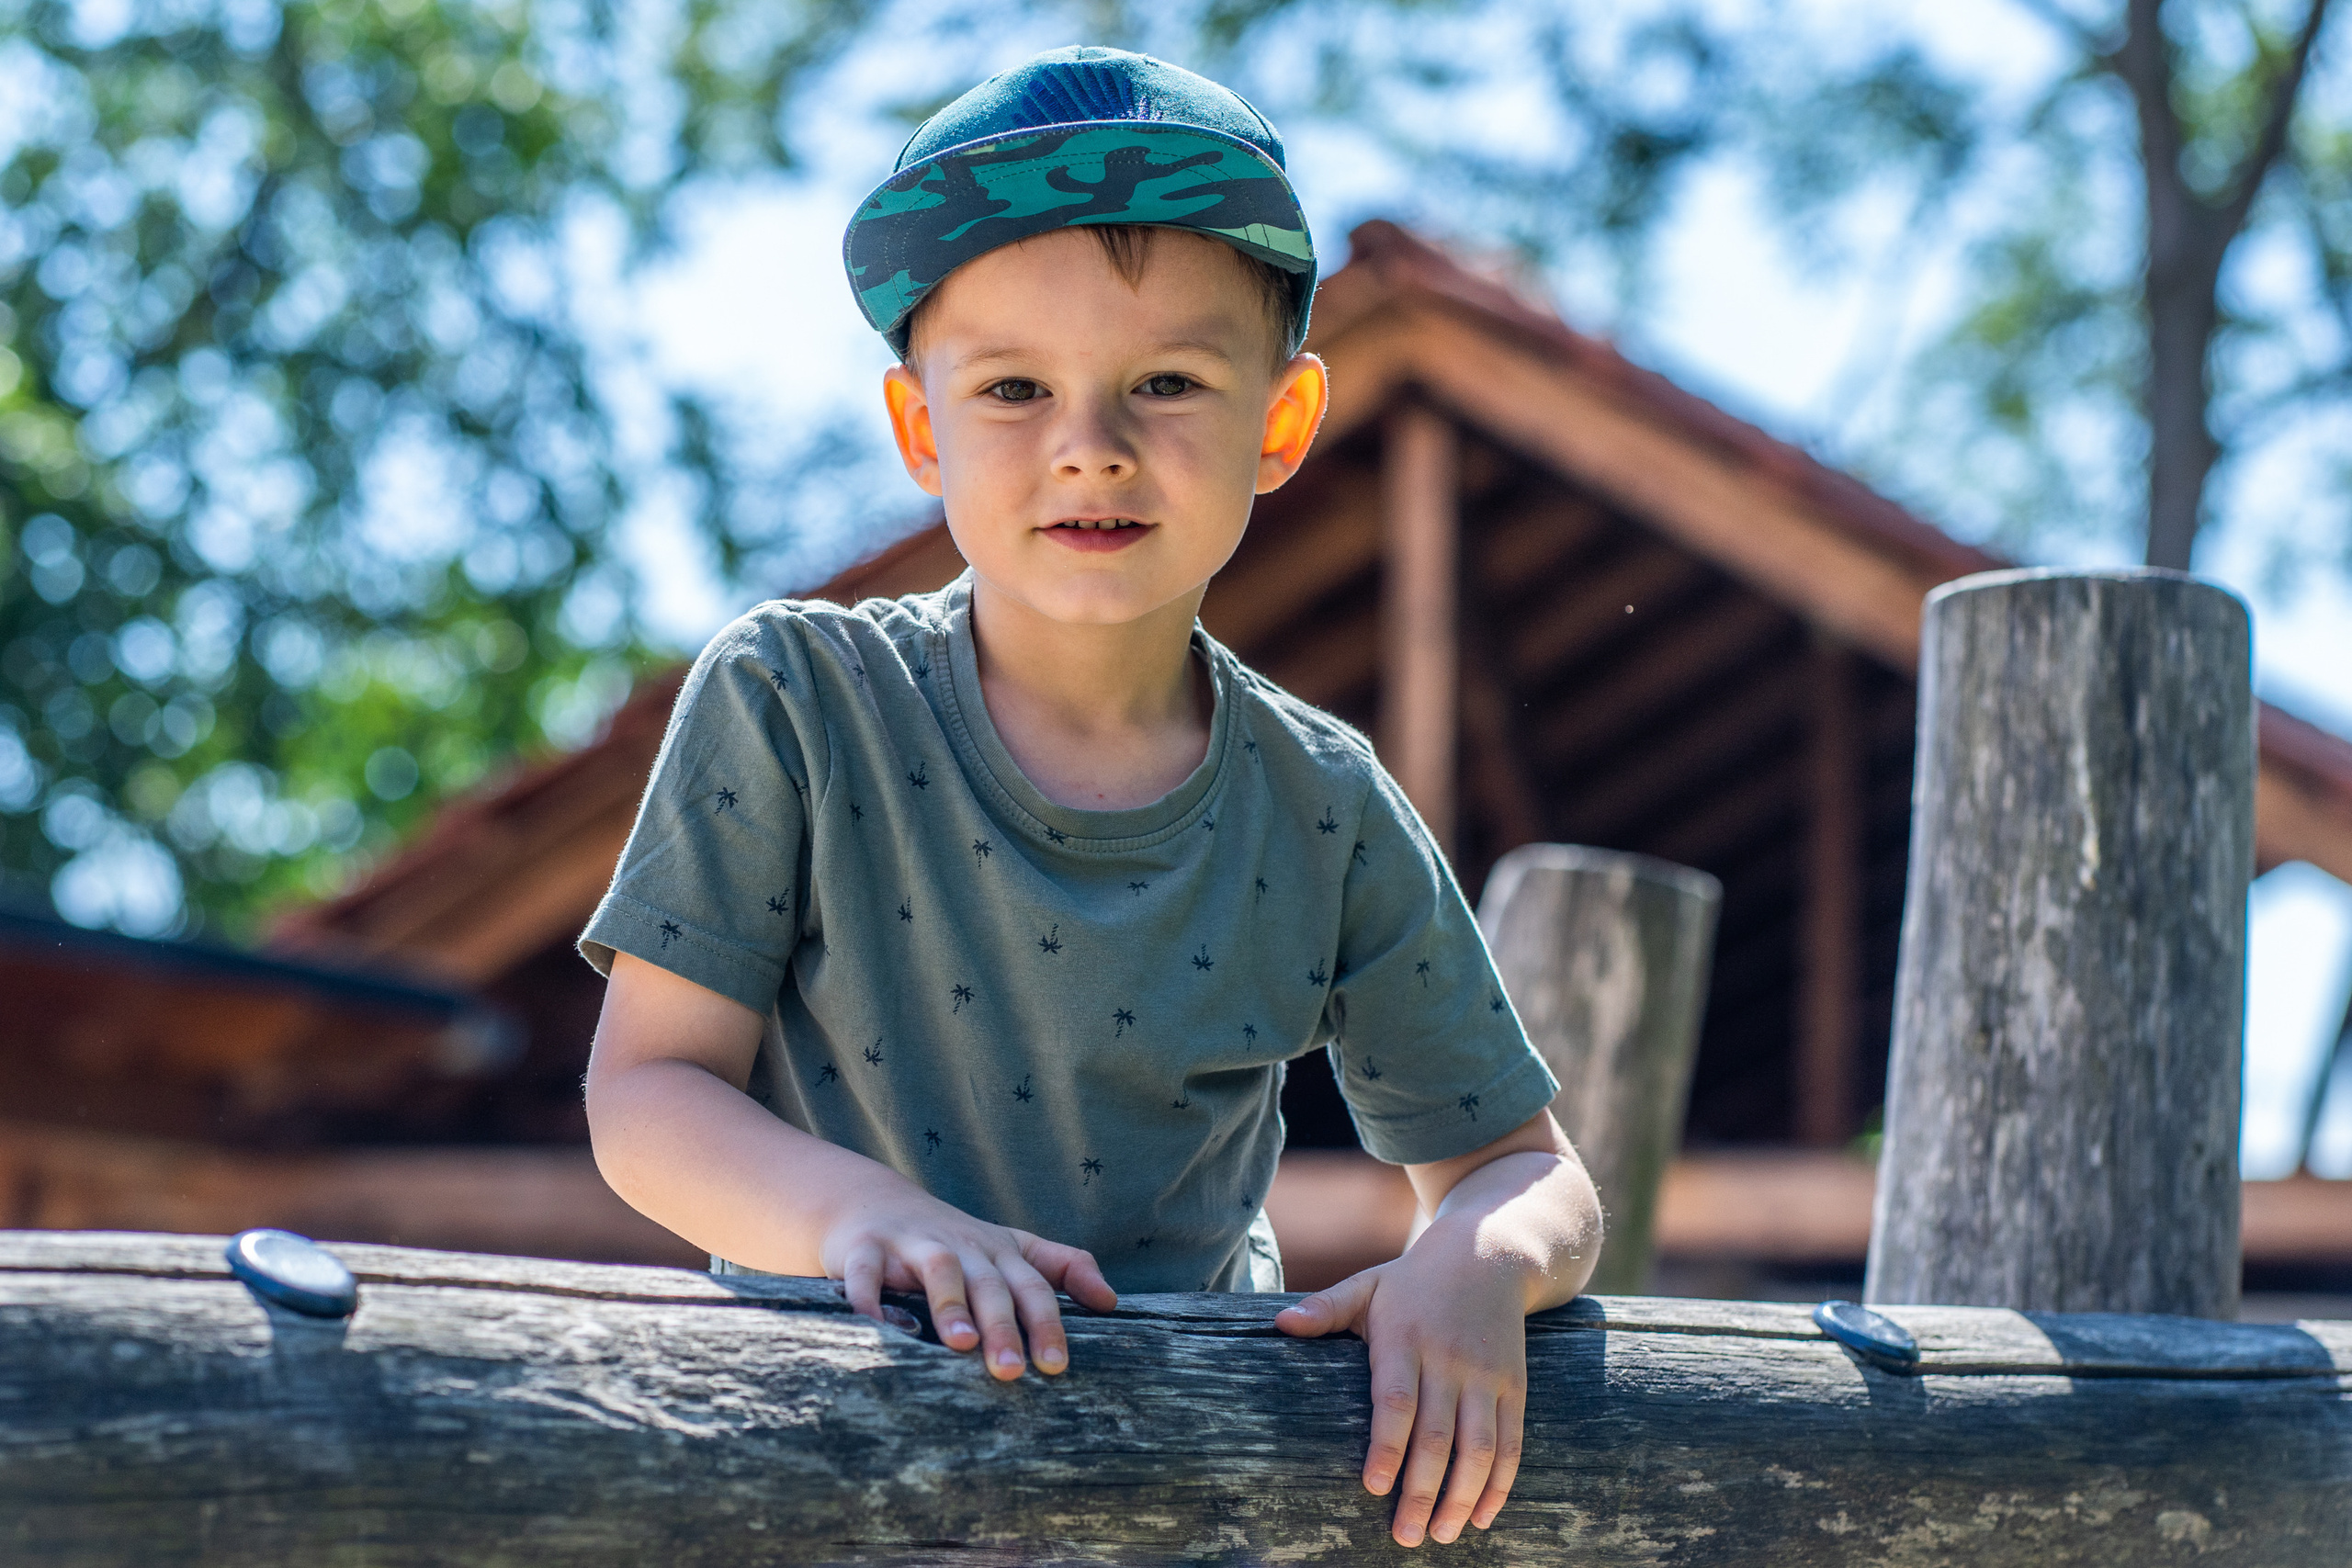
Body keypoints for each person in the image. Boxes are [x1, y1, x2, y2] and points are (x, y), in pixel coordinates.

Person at [580, 45, 1602, 1550]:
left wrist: (1480, 1260)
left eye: (1169, 383)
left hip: (1186, 1497)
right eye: (1012, 388)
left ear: (1281, 421)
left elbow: (1525, 1175)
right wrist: (872, 1221)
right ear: (921, 428)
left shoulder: (1324, 803)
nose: (1090, 443)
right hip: (822, 1477)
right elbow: (646, 1097)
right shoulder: (796, 700)